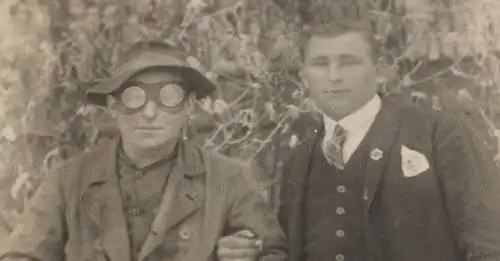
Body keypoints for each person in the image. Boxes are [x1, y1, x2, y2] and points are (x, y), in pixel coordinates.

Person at [217, 21, 500, 261]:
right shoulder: (299, 159)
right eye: (320, 63)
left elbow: (489, 242)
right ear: (304, 75)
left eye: (348, 62)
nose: (334, 75)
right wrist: (250, 251)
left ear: (378, 70)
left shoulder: (437, 133)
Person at [0, 41, 286, 261]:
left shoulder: (229, 179)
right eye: (134, 97)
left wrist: (247, 253)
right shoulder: (68, 181)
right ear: (113, 106)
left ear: (188, 106)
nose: (149, 112)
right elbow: (21, 255)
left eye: (168, 97)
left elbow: (272, 253)